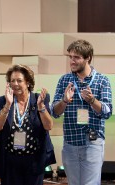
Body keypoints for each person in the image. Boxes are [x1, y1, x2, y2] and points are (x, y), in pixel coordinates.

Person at [51, 40, 112, 185]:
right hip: (70, 143)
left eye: (76, 57)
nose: (72, 61)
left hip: (92, 142)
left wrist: (92, 100)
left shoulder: (102, 80)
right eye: (70, 57)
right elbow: (54, 111)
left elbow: (107, 111)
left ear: (88, 58)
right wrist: (64, 101)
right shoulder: (64, 80)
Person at [0, 64, 56, 185]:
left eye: (19, 80)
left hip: (34, 159)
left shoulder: (40, 99)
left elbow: (48, 126)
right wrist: (8, 105)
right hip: (10, 160)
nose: (15, 84)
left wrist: (41, 107)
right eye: (12, 81)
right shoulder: (2, 100)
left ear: (28, 83)